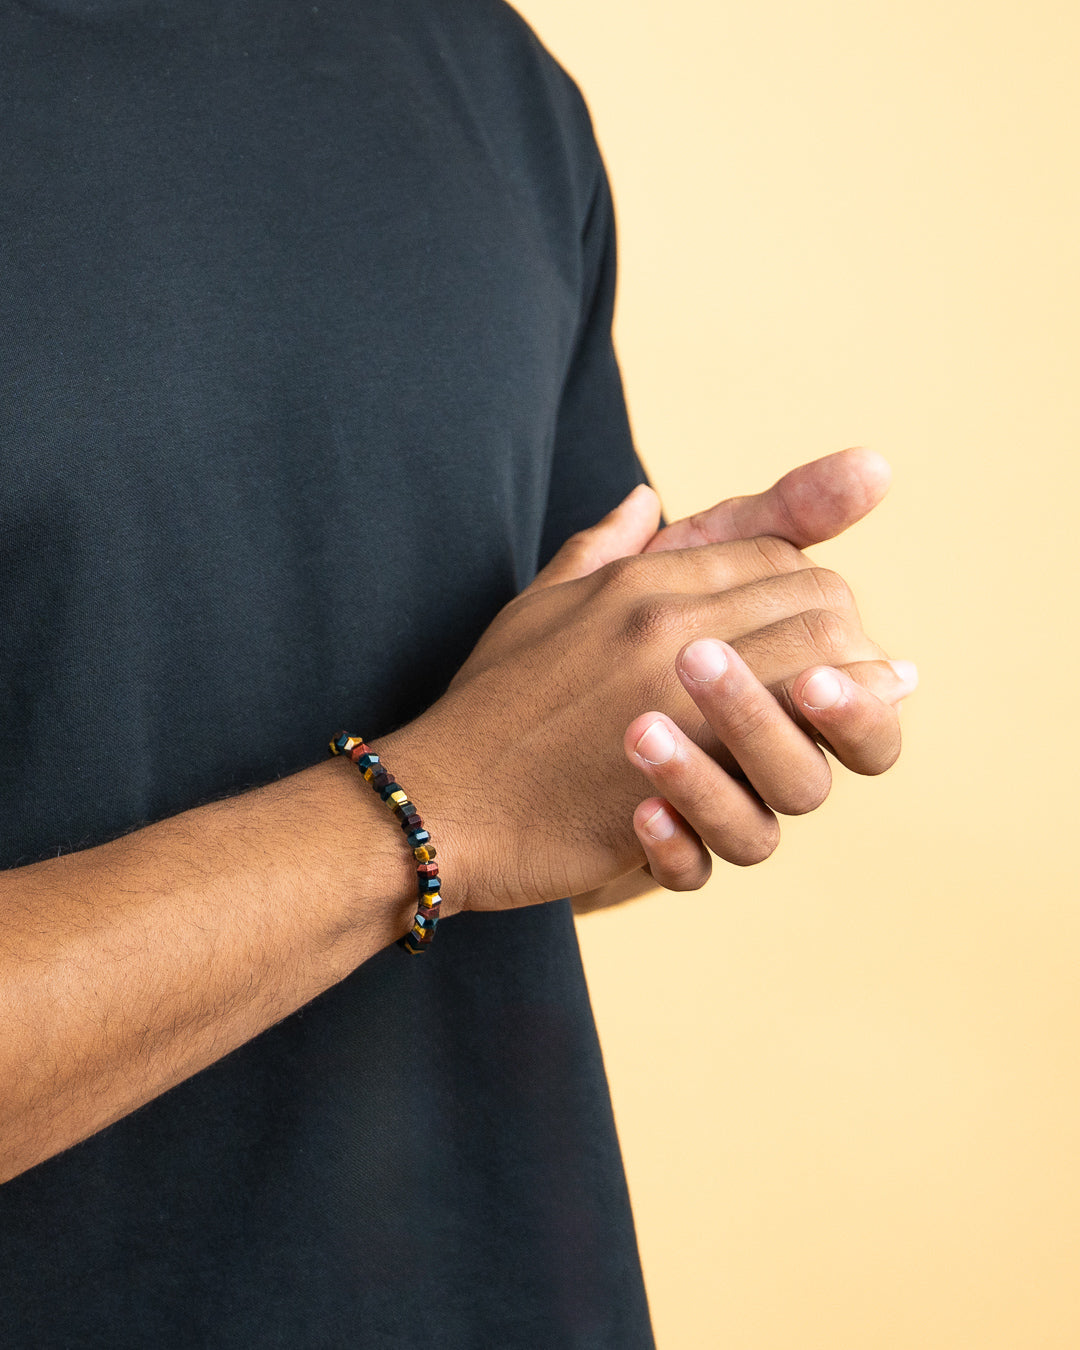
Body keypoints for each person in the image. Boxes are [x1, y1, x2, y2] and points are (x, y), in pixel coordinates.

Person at [0, 0, 914, 1344]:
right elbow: (474, 797)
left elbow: (532, 799)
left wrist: (676, 724)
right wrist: (429, 809)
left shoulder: (484, 74)